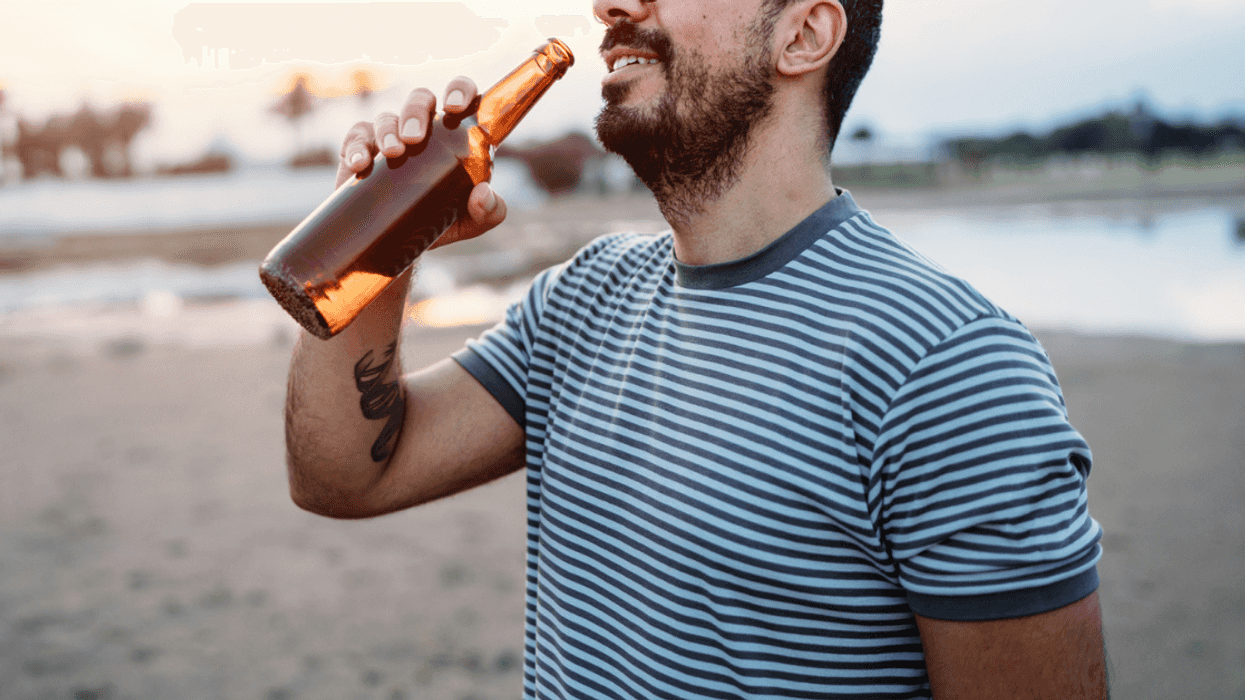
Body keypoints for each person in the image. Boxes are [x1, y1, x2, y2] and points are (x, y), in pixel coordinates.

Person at [282, 0, 1110, 696]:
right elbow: (347, 476)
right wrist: (382, 245)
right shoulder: (582, 300)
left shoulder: (948, 368)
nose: (611, 6)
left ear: (804, 36)